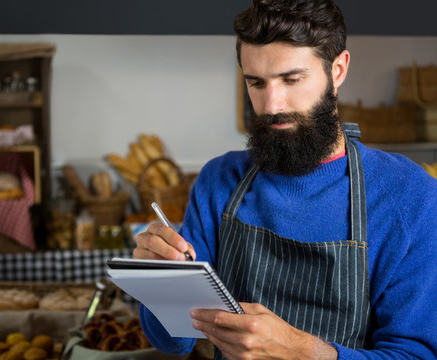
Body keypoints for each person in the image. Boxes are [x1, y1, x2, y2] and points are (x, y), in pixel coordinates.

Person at [134, 0, 437, 359]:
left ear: (337, 70)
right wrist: (162, 281)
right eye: (256, 83)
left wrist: (302, 350)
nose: (272, 104)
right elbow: (173, 341)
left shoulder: (410, 196)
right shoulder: (219, 181)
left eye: (291, 79)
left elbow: (416, 354)